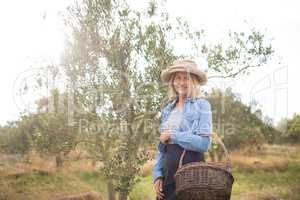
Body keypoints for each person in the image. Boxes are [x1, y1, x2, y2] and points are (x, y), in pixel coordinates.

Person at [152, 59, 213, 200]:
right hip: (168, 176)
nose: (181, 82)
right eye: (177, 78)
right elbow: (162, 147)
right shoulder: (168, 109)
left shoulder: (202, 105)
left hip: (192, 176)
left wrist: (174, 135)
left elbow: (204, 144)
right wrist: (157, 175)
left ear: (193, 82)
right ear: (172, 81)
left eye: (186, 78)